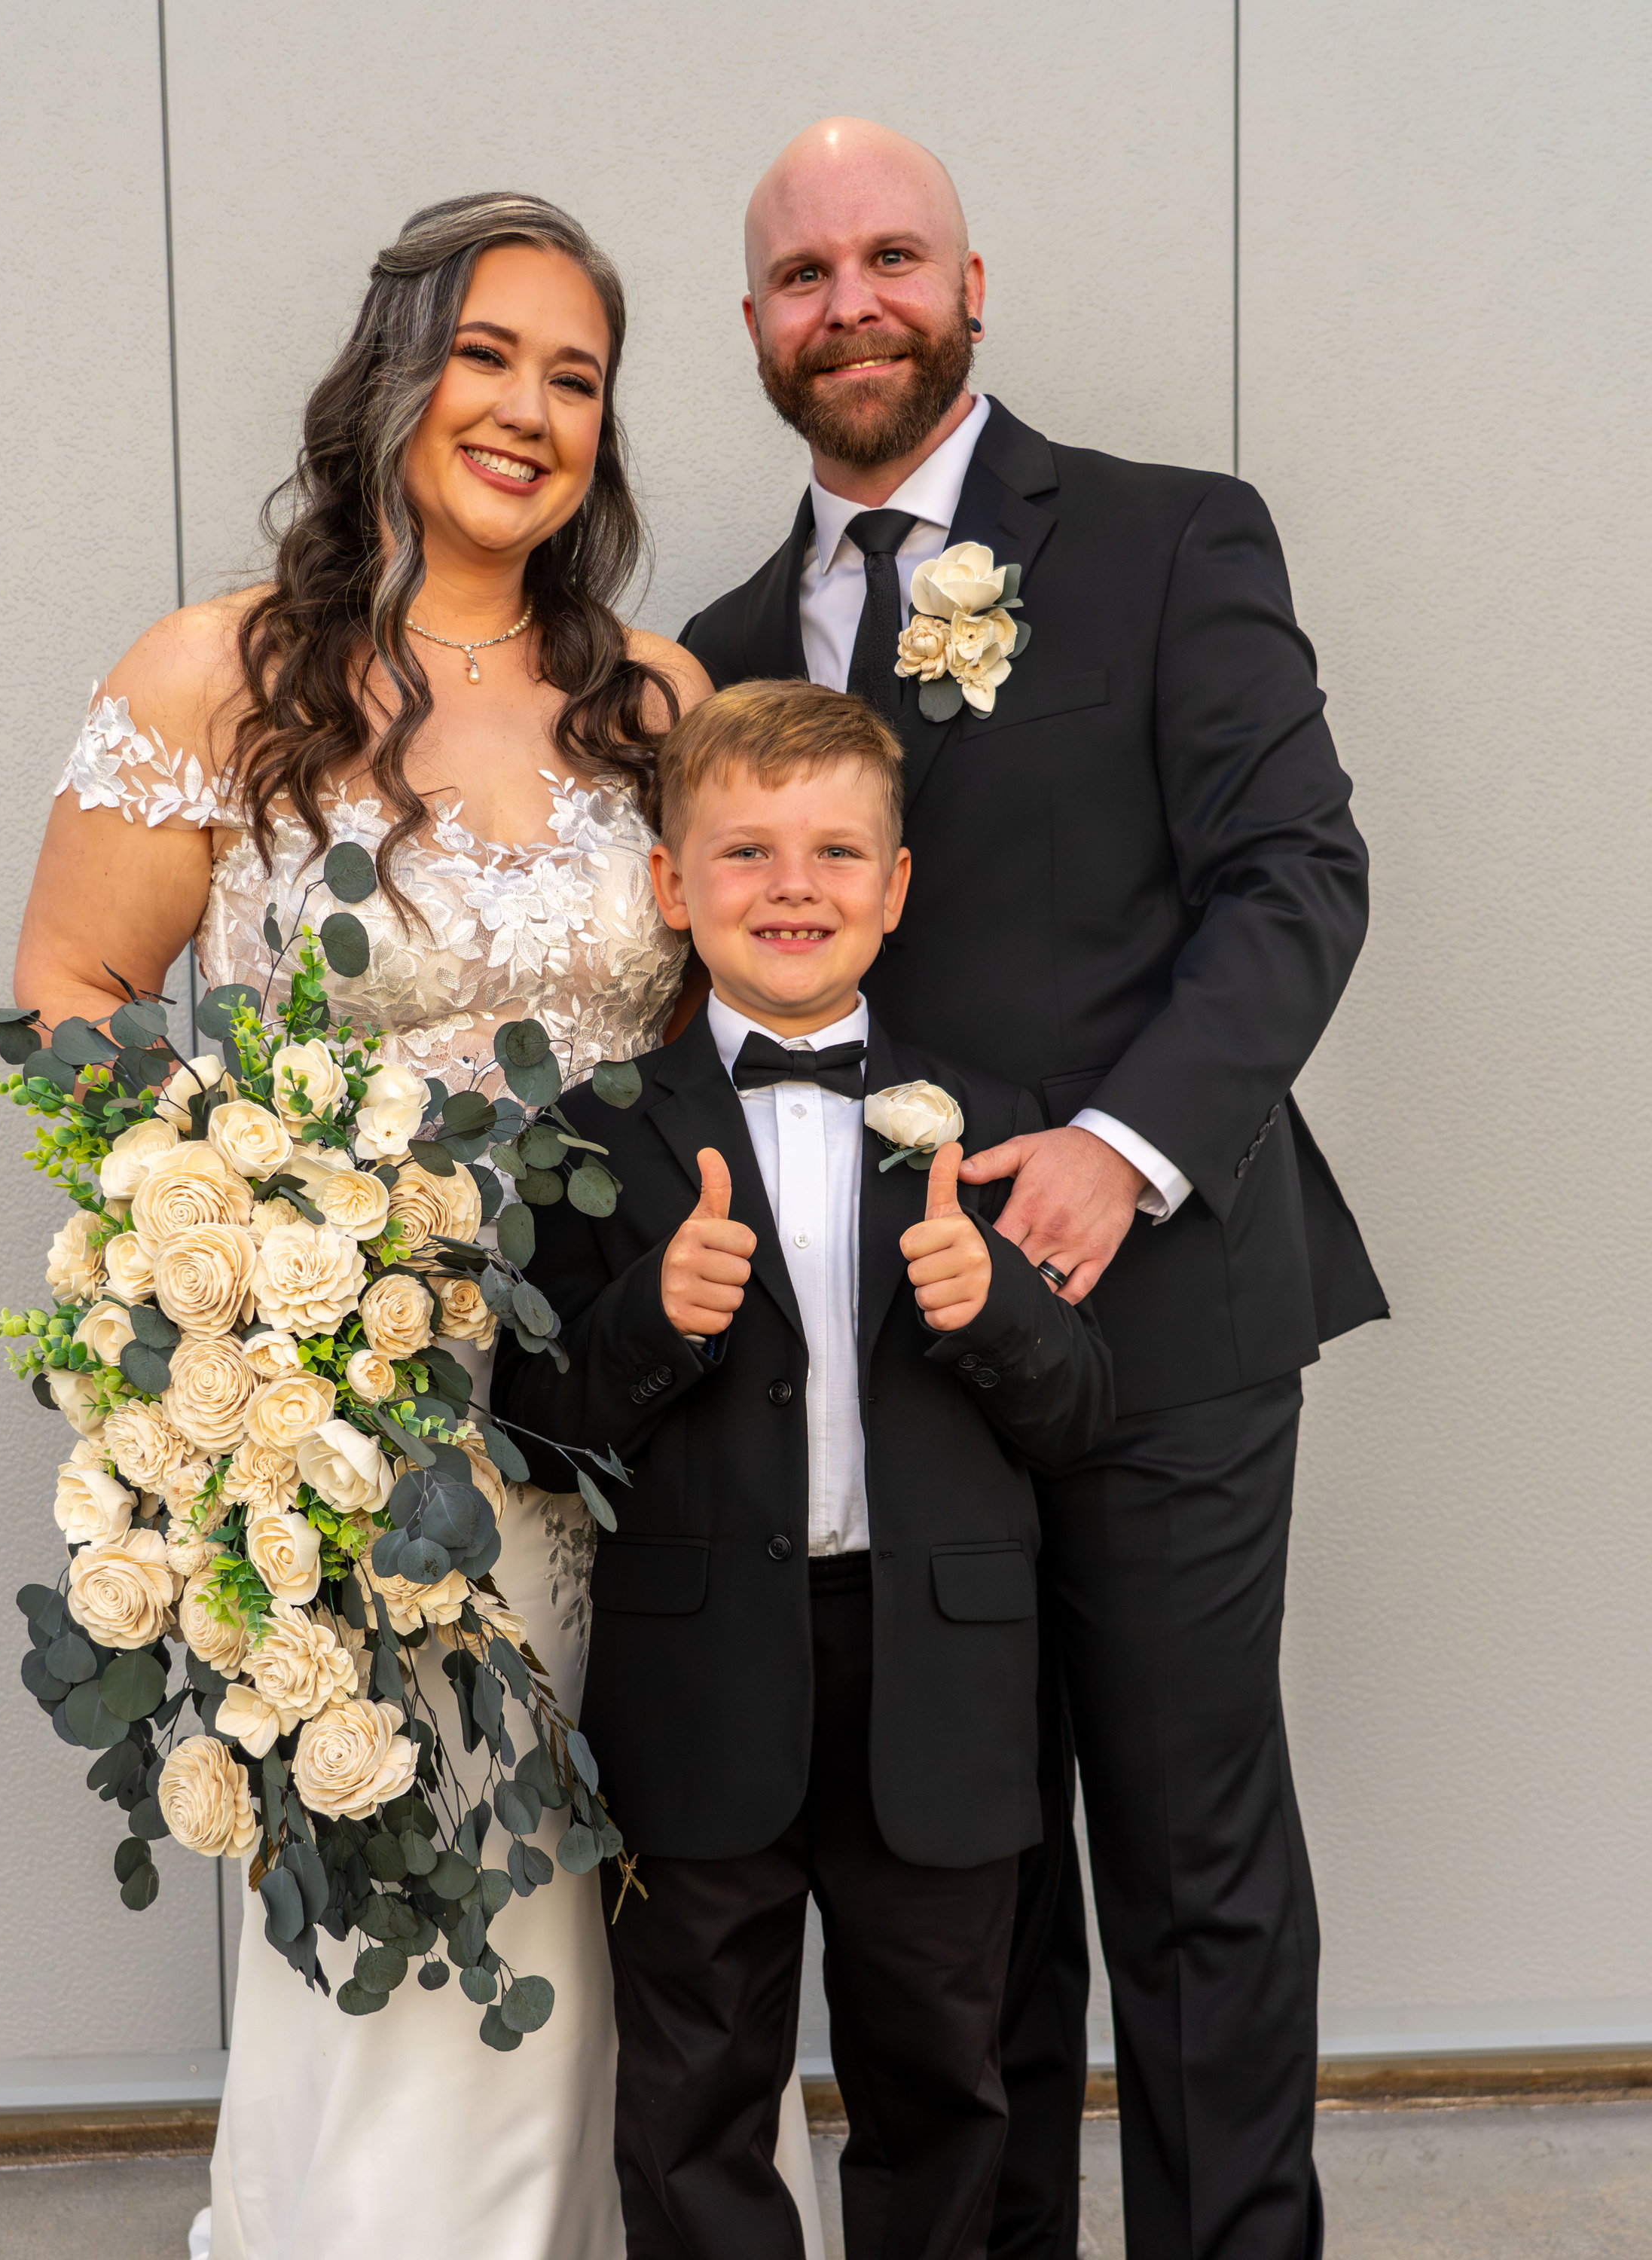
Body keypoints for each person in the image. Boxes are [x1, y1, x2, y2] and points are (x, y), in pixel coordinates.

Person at [14, 192, 823, 2260]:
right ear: (395, 369)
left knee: (691, 1929)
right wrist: (244, 1234)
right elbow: (73, 1001)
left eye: (577, 377)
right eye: (488, 354)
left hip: (655, 1420)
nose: (530, 410)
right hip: (380, 1446)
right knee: (445, 1918)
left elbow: (752, 999)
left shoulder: (655, 698)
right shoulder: (219, 675)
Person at [679, 120, 1388, 2260]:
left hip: (1165, 1327)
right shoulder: (719, 645)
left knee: (1189, 1866)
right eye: (806, 276)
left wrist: (1120, 1150)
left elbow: (1296, 877)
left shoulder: (1174, 538)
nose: (854, 305)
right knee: (962, 1896)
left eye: (894, 258)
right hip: (896, 1372)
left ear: (970, 288)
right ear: (755, 328)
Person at [493, 678, 1113, 2260]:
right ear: (670, 884)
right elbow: (535, 1426)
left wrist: (997, 1317)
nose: (793, 886)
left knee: (946, 2081)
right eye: (746, 851)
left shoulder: (997, 1122)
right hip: (701, 1682)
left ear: (895, 888)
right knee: (692, 2092)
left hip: (942, 1681)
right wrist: (652, 1319)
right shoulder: (591, 1137)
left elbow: (1081, 1417)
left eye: (836, 853)